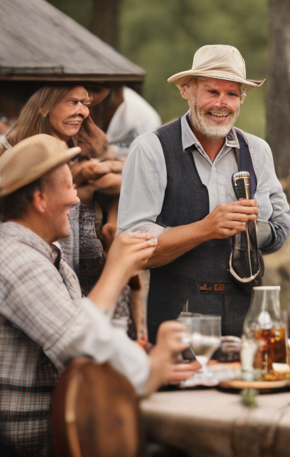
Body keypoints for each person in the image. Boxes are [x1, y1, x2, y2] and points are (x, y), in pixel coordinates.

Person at [0, 135, 198, 456]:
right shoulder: (15, 260)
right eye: (69, 186)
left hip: (69, 428)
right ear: (40, 199)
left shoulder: (43, 255)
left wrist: (140, 357)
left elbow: (87, 330)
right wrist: (149, 369)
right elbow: (78, 338)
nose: (77, 200)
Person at [118, 45, 290, 340]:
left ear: (241, 99)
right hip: (177, 317)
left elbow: (281, 229)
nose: (222, 103)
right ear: (187, 90)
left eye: (232, 94)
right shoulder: (151, 148)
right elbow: (134, 247)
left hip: (248, 314)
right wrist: (207, 228)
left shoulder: (258, 151)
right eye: (212, 92)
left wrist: (246, 231)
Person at [1, 84, 142, 335]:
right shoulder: (13, 150)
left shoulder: (83, 145)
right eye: (72, 102)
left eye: (85, 104)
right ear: (44, 104)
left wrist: (106, 178)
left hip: (81, 252)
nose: (83, 112)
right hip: (45, 255)